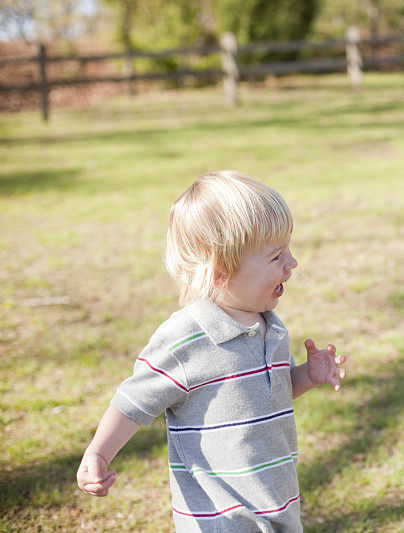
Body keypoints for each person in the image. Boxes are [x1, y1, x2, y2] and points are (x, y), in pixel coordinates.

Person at [76, 170, 348, 531]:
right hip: (220, 518)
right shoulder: (185, 338)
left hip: (279, 503)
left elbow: (266, 397)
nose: (292, 263)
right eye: (276, 257)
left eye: (289, 250)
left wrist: (307, 376)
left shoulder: (271, 327)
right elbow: (134, 401)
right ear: (220, 271)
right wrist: (98, 453)